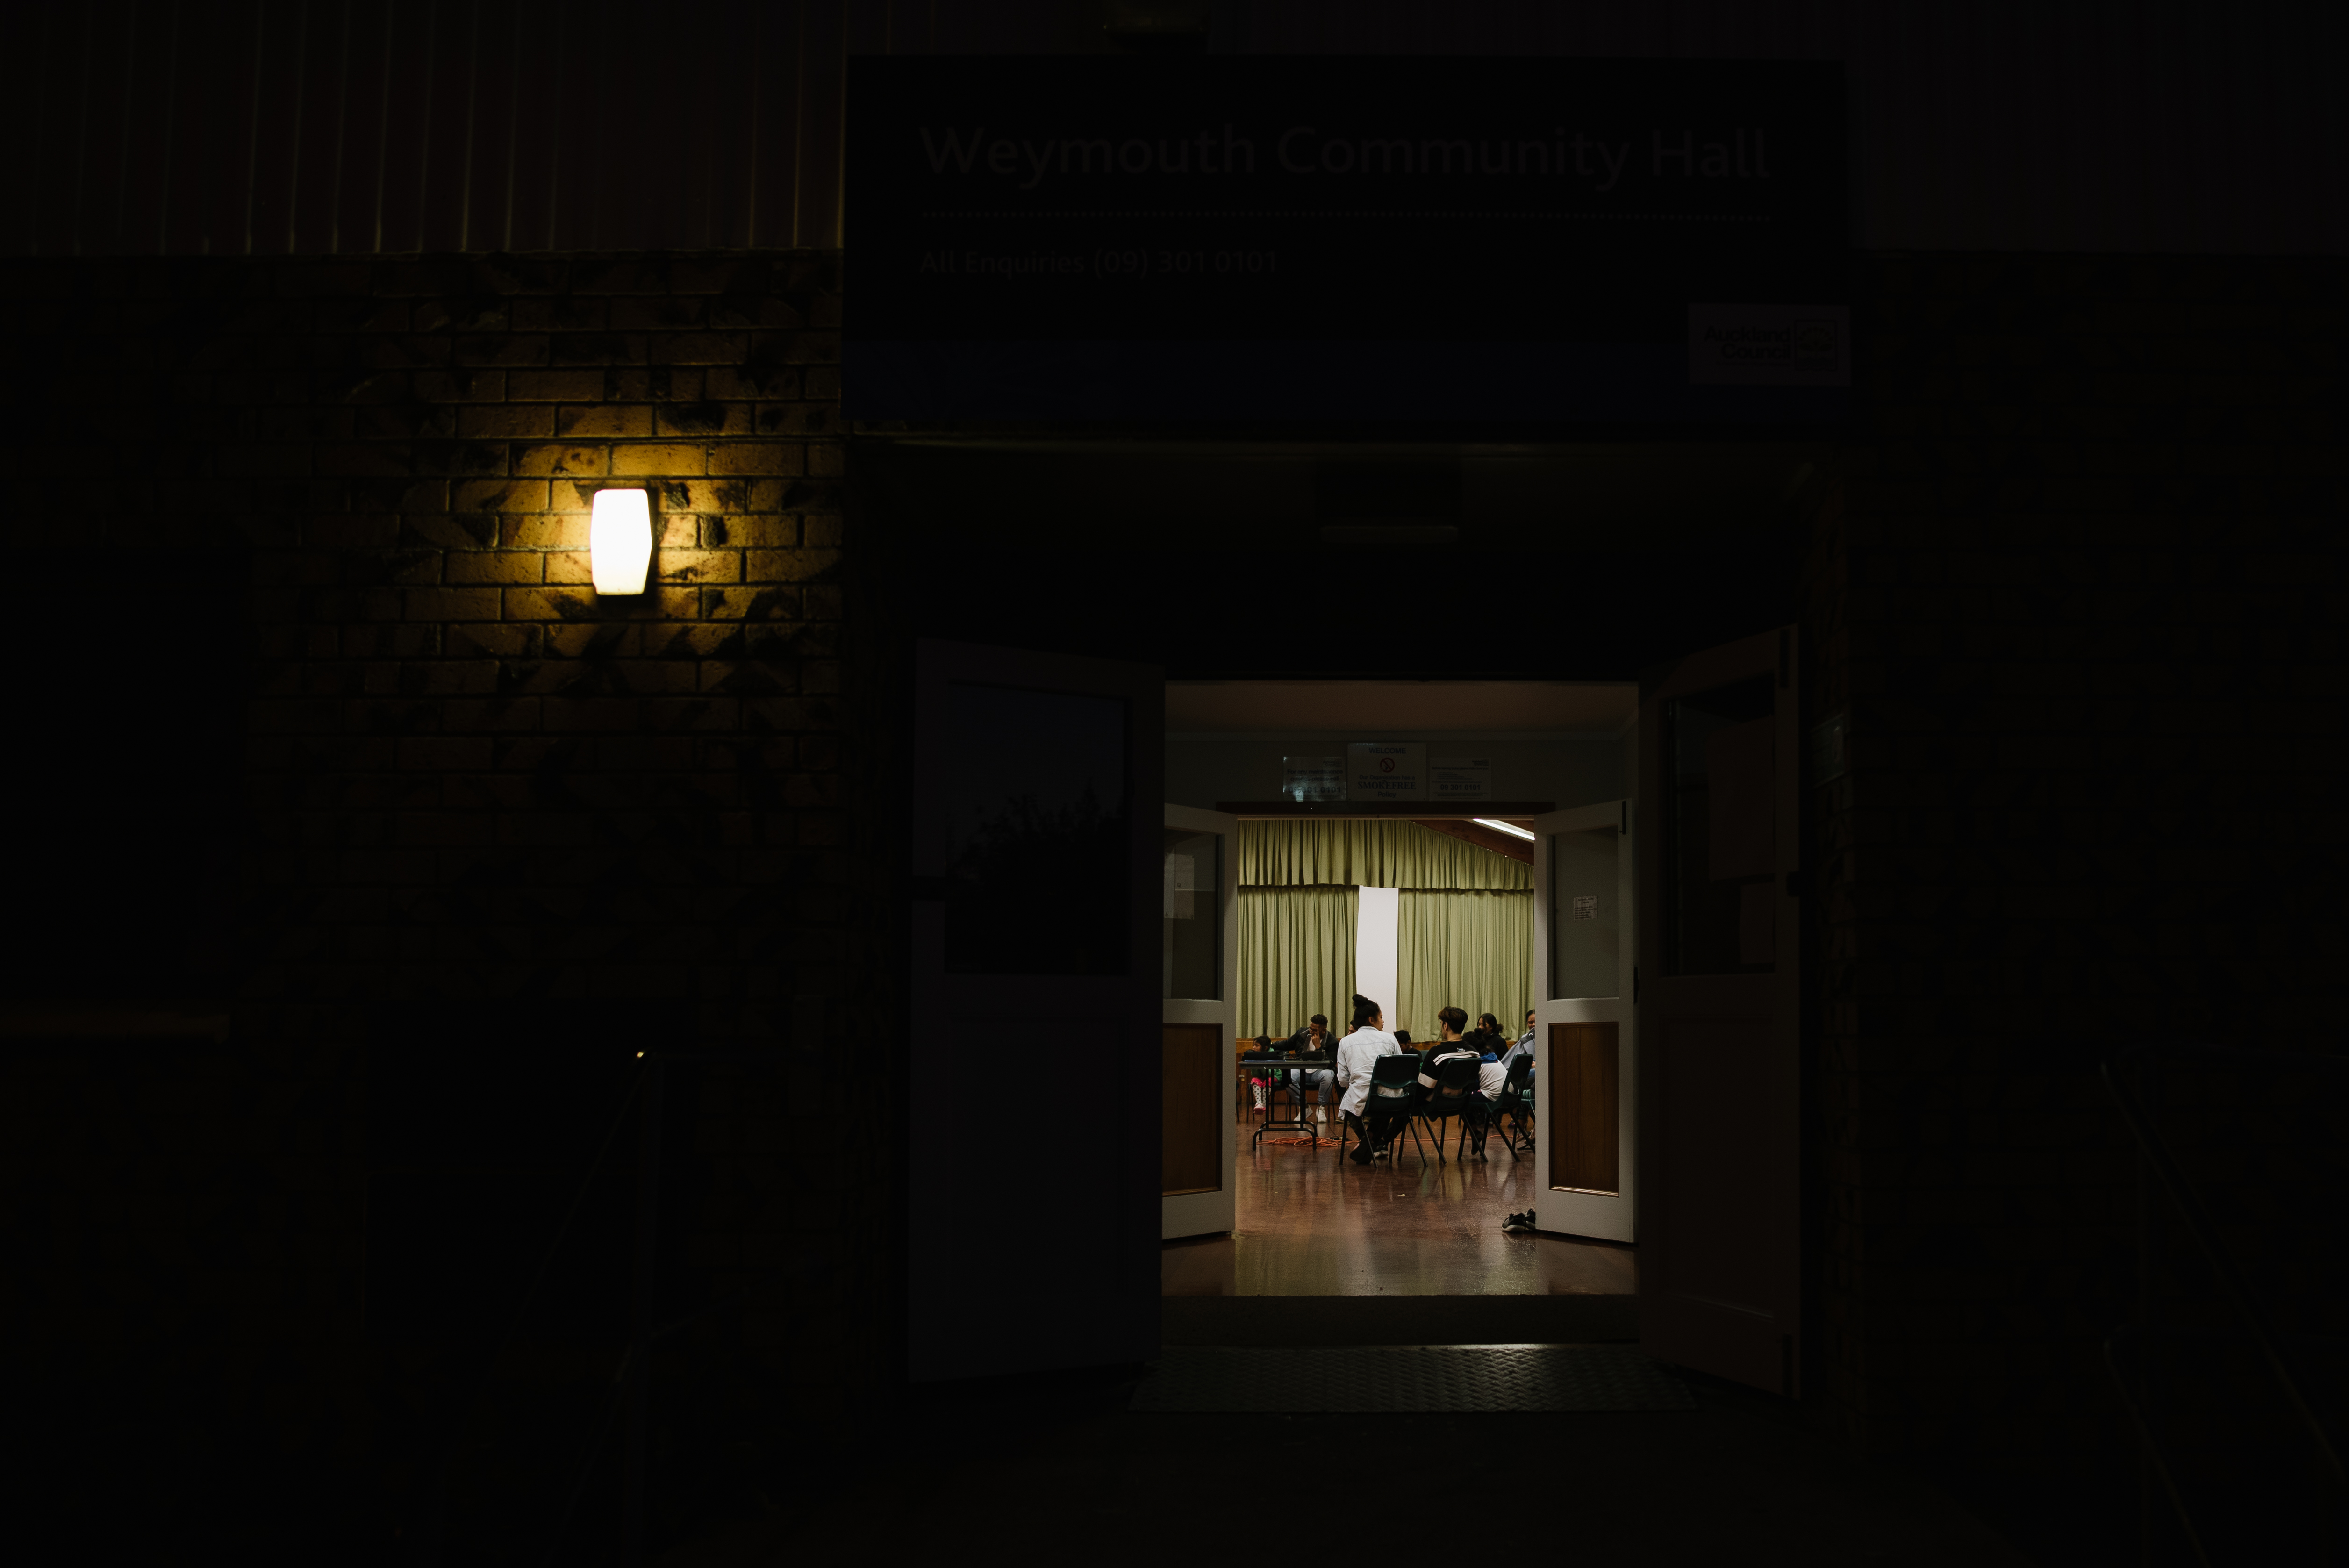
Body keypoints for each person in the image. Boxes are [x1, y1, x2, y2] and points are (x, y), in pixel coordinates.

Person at [1335, 994, 1403, 1163]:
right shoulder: (1390, 1039)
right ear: (1372, 1020)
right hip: (1392, 1099)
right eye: (1381, 1017)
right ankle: (1374, 1141)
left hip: (1362, 1099)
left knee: (1350, 1105)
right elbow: (1401, 1070)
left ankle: (1367, 1140)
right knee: (1385, 1099)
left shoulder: (1345, 1042)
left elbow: (1343, 1080)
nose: (1383, 1021)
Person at [1282, 1013, 1338, 1122]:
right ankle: (1304, 1107)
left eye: (1315, 1030)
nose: (1311, 1032)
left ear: (1323, 1030)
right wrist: (1269, 1045)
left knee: (1329, 1075)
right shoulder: (1303, 1034)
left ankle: (1321, 1108)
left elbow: (1331, 1063)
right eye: (1310, 1028)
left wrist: (1318, 1047)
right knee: (1288, 1076)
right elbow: (1287, 1044)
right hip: (1302, 1070)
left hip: (1319, 1073)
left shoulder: (1332, 1041)